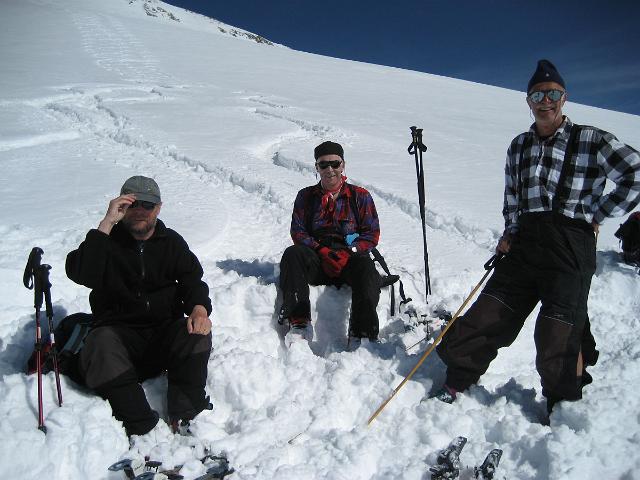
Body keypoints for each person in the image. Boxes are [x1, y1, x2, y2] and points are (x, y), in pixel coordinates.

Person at [434, 60, 640, 414]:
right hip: (525, 242)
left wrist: (597, 214)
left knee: (558, 329)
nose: (546, 101)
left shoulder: (592, 139)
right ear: (528, 101)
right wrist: (510, 232)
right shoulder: (519, 146)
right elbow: (512, 197)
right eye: (538, 95)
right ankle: (457, 380)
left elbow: (634, 172)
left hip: (570, 245)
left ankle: (562, 406)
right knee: (488, 314)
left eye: (553, 94)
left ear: (564, 98)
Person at [66, 175, 213, 438]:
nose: (140, 211)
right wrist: (106, 223)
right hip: (118, 342)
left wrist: (199, 308)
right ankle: (142, 428)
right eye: (132, 204)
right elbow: (82, 273)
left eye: (148, 204)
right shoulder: (106, 242)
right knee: (100, 341)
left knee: (197, 332)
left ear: (158, 208)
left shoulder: (171, 242)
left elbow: (192, 280)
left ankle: (187, 415)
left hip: (162, 335)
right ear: (121, 207)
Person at [279, 141, 382, 347]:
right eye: (323, 164)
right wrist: (321, 250)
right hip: (318, 260)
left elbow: (371, 234)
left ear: (343, 165)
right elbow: (298, 231)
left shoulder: (360, 196)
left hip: (349, 261)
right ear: (316, 167)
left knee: (366, 267)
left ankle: (362, 332)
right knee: (293, 254)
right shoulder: (305, 196)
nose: (330, 169)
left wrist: (350, 252)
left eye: (335, 163)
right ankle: (299, 322)